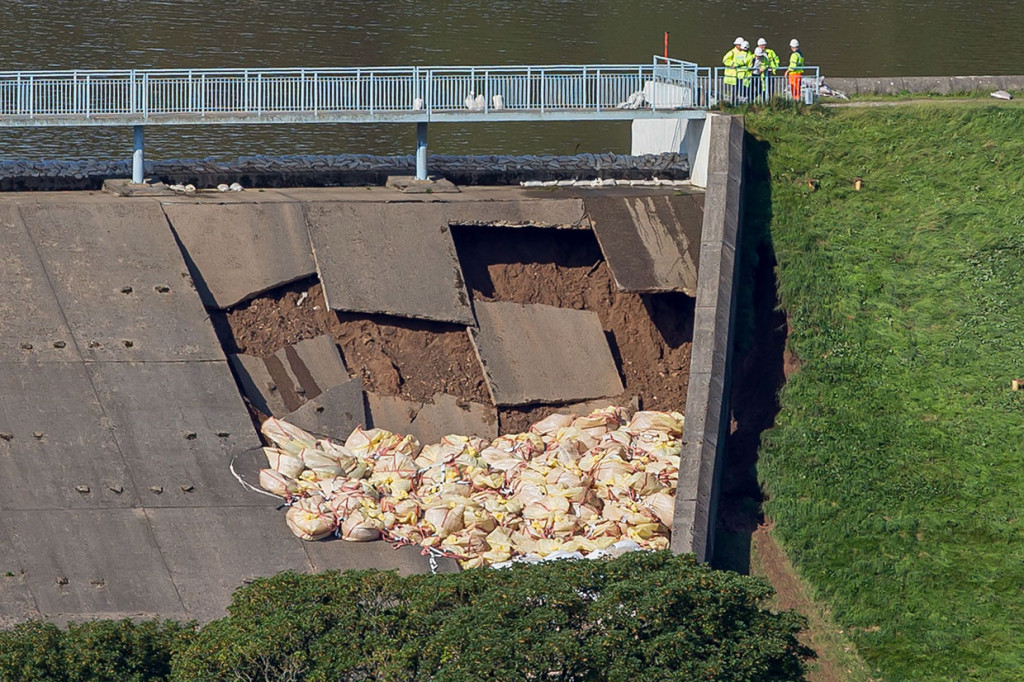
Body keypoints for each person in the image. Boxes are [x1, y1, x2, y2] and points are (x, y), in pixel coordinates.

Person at [722, 37, 746, 103]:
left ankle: (739, 102)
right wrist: (733, 64)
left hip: (740, 74)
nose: (740, 46)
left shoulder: (743, 52)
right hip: (733, 75)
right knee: (734, 90)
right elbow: (725, 60)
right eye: (739, 45)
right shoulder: (732, 52)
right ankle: (733, 102)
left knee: (741, 89)